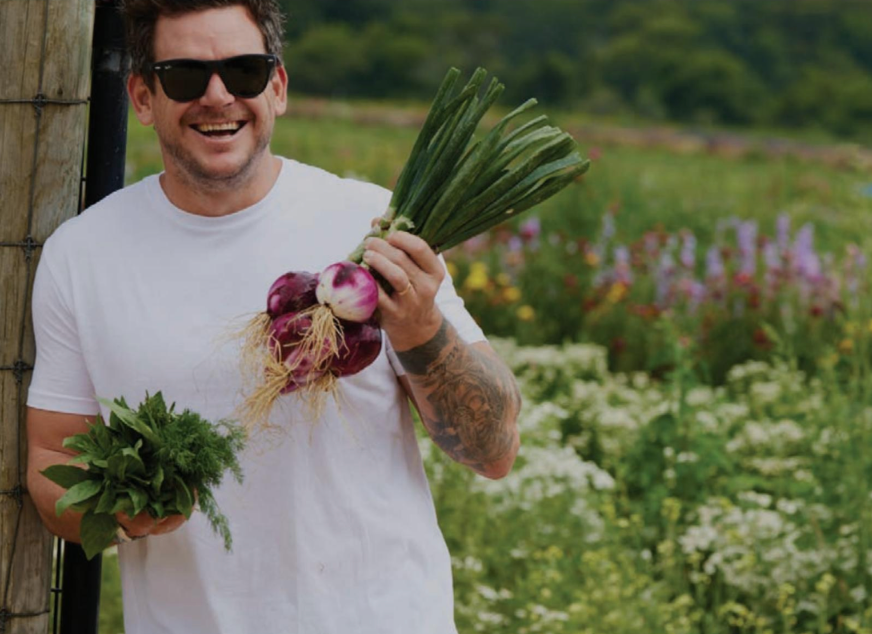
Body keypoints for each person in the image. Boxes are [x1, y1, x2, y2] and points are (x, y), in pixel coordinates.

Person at [25, 1, 521, 632]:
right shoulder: (82, 254)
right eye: (183, 76)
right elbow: (51, 460)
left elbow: (495, 450)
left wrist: (423, 329)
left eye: (244, 71)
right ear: (142, 97)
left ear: (278, 87)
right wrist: (123, 510)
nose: (217, 95)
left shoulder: (375, 227)